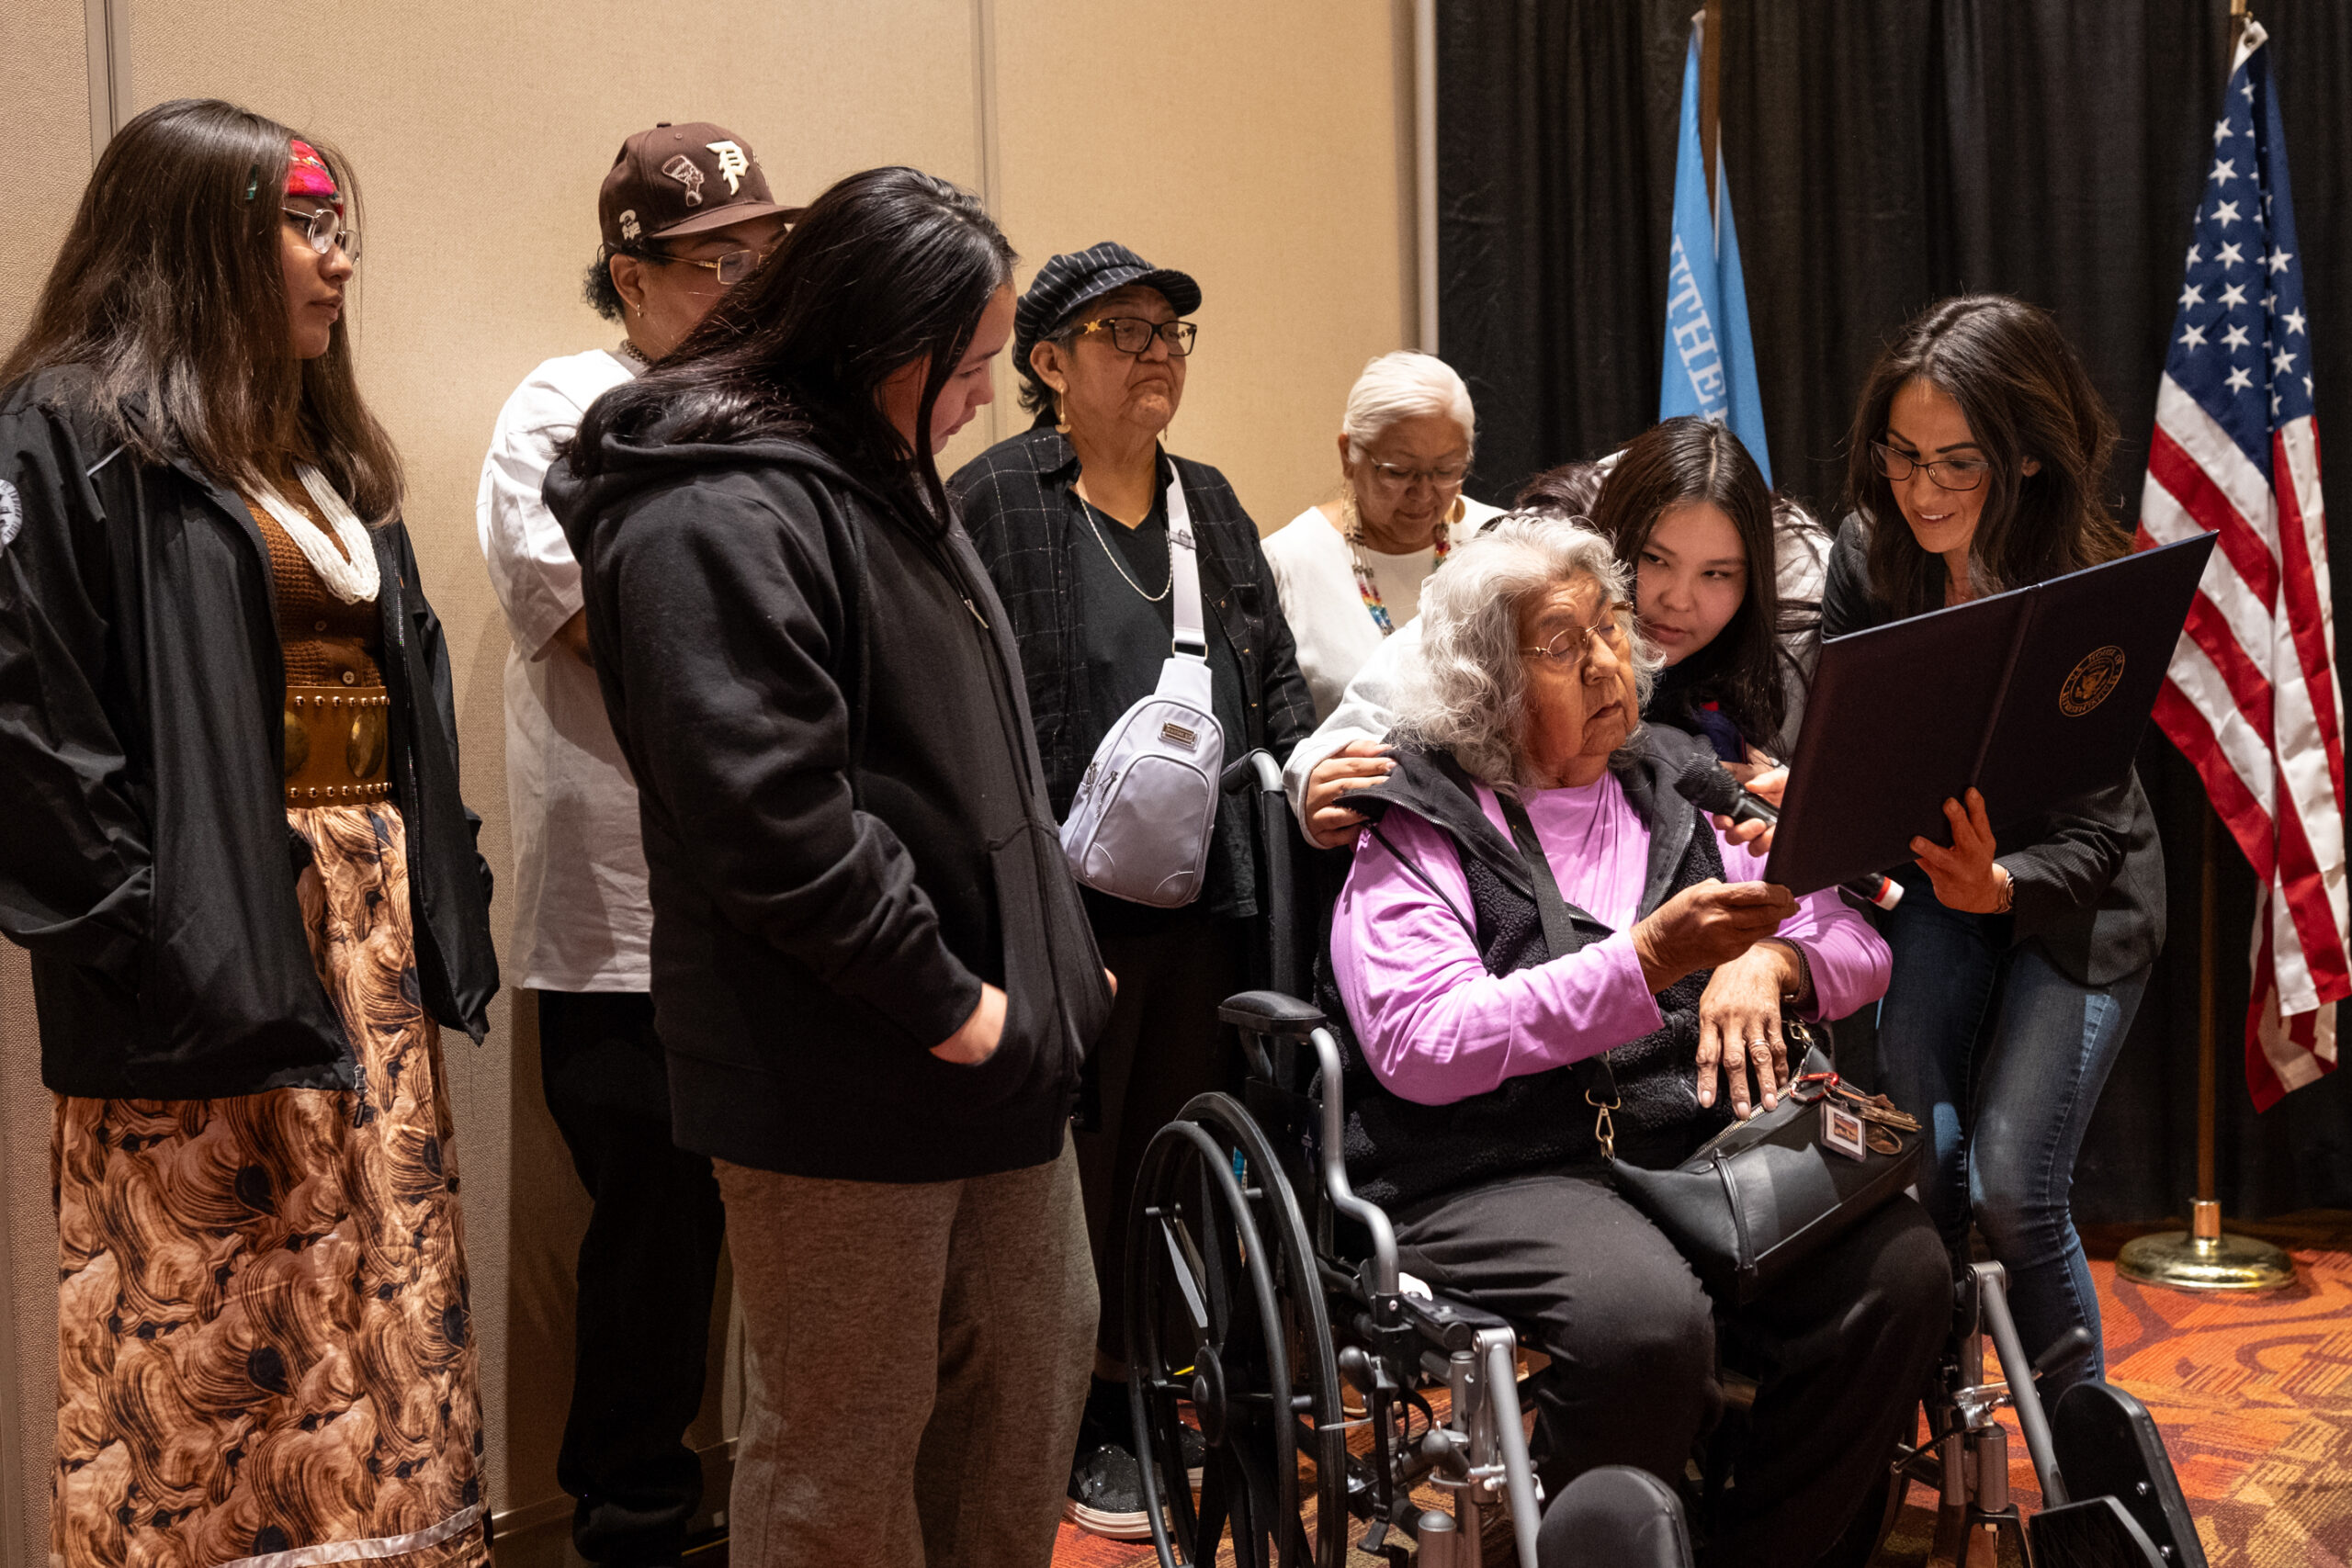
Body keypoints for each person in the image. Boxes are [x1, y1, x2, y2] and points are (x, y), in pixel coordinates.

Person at [547, 165, 1110, 1568]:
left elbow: (974, 767)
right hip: (838, 1062)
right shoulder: (705, 508)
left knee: (1022, 1394)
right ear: (876, 340)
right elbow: (774, 822)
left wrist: (1044, 954)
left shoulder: (883, 472)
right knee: (844, 1455)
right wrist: (951, 1001)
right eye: (968, 368)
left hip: (990, 1056)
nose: (983, 400)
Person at [0, 99, 499, 1568]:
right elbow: (29, 728)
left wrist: (423, 896)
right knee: (217, 1358)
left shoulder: (311, 446)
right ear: (198, 236)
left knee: (374, 1317)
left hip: (362, 944)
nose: (338, 260)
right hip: (201, 959)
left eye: (340, 227)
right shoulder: (70, 430)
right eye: (305, 225)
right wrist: (159, 934)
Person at [1322, 519, 1948, 1567]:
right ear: (1486, 682)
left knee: (1903, 1273)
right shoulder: (1421, 822)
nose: (1608, 661)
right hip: (1497, 1165)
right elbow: (1422, 1041)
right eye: (1563, 644)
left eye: (1609, 626)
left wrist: (1775, 963)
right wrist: (1646, 960)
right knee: (1643, 1322)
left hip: (1694, 1144)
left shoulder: (1683, 784)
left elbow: (1855, 942)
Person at [946, 243, 1317, 1539]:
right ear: (1048, 363)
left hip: (1208, 893)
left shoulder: (1208, 501)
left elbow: (1274, 677)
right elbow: (967, 706)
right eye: (1126, 332)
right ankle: (1079, 1419)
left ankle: (1152, 1388)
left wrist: (1306, 774)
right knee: (1079, 1168)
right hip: (1065, 902)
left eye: (1172, 332)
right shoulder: (995, 499)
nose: (1158, 353)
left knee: (1183, 1143)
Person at [477, 119, 797, 1568]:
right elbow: (604, 624)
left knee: (787, 1232)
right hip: (621, 915)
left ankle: (760, 1512)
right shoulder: (566, 405)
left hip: (778, 898)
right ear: (630, 272)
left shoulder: (777, 409)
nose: (748, 284)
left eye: (763, 254)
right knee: (652, 1238)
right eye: (717, 261)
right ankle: (631, 1523)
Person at [1829, 294, 2161, 1401]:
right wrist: (1819, 792)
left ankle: (2087, 1463)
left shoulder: (2088, 587)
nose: (1919, 490)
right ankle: (1940, 1425)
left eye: (1955, 464)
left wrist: (1999, 883)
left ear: (2022, 458)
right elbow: (1852, 735)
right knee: (1919, 1167)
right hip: (1935, 883)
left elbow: (2097, 836)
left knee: (2014, 1184)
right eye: (1901, 455)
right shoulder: (1870, 555)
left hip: (2075, 900)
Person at [1287, 421, 1824, 850]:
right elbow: (1407, 675)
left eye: (1717, 574)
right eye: (1655, 559)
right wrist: (1318, 771)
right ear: (1617, 539)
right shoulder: (1547, 562)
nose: (1679, 600)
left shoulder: (1794, 608)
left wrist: (1795, 802)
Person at [1261, 351, 1504, 718]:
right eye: (1398, 471)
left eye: (1446, 470)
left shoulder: (1499, 542)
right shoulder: (1288, 562)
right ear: (1348, 454)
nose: (1423, 493)